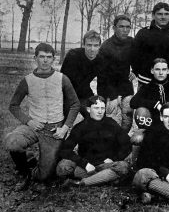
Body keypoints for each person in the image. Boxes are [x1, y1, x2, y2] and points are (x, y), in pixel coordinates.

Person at [4, 43, 80, 190]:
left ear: (53, 59)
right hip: (34, 126)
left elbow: (75, 104)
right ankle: (25, 172)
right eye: (42, 57)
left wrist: (65, 127)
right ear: (35, 58)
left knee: (45, 176)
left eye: (49, 57)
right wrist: (29, 121)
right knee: (12, 141)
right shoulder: (27, 80)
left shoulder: (62, 78)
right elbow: (13, 105)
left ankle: (34, 164)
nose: (45, 60)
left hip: (54, 130)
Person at [56, 95, 131, 187]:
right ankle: (102, 179)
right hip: (86, 166)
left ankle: (82, 183)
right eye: (96, 108)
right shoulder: (81, 127)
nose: (100, 111)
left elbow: (127, 144)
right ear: (88, 109)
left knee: (123, 167)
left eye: (102, 108)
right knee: (62, 167)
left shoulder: (111, 124)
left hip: (106, 165)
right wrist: (84, 164)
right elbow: (65, 149)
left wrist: (114, 158)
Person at [132, 2, 169, 86]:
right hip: (146, 82)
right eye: (159, 14)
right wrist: (140, 74)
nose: (163, 17)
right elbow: (134, 57)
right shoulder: (143, 33)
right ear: (153, 15)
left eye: (166, 14)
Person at [97, 15, 134, 132]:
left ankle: (122, 145)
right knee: (111, 123)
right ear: (114, 28)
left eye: (128, 27)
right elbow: (102, 76)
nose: (125, 30)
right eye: (121, 26)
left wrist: (136, 71)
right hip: (109, 89)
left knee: (127, 122)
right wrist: (111, 96)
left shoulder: (132, 42)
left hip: (126, 87)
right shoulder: (106, 47)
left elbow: (142, 59)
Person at [130, 58, 169, 126]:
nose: (161, 73)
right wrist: (155, 104)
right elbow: (133, 102)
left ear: (168, 71)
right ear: (152, 71)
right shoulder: (147, 87)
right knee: (138, 136)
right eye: (157, 69)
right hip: (154, 127)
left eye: (164, 70)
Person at [61, 30, 102, 117]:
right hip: (67, 94)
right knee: (65, 120)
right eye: (89, 45)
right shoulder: (73, 55)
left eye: (95, 45)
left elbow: (104, 81)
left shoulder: (101, 59)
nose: (92, 49)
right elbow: (64, 80)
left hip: (84, 92)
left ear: (99, 46)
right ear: (83, 45)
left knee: (97, 113)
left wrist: (102, 99)